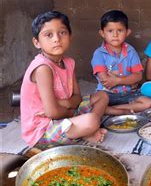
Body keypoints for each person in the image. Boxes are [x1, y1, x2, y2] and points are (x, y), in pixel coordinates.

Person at [20, 11, 109, 147]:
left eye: (62, 33)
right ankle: (88, 130)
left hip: (65, 114)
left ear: (70, 36)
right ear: (37, 42)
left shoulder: (68, 63)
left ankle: (86, 130)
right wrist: (71, 111)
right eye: (48, 35)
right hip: (43, 129)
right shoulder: (43, 68)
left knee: (102, 96)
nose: (57, 39)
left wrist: (66, 103)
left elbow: (77, 97)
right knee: (91, 120)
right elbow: (52, 112)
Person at [91, 10, 151, 115]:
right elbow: (105, 80)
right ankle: (121, 110)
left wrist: (117, 80)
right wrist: (128, 79)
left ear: (127, 32)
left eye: (119, 30)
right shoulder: (99, 53)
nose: (115, 35)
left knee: (149, 103)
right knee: (94, 99)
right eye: (110, 31)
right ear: (102, 33)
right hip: (107, 94)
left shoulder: (131, 51)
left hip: (128, 93)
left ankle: (113, 109)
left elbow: (138, 76)